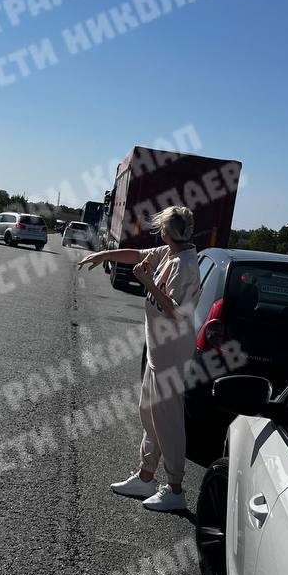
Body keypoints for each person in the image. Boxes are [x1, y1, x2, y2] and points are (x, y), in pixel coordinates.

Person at [78, 206, 200, 512]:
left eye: (162, 227)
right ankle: (146, 477)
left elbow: (178, 313)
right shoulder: (169, 252)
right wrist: (104, 255)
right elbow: (136, 255)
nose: (159, 232)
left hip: (171, 355)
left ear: (168, 231)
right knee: (150, 415)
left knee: (168, 422)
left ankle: (175, 489)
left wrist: (147, 283)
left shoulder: (185, 264)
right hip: (158, 352)